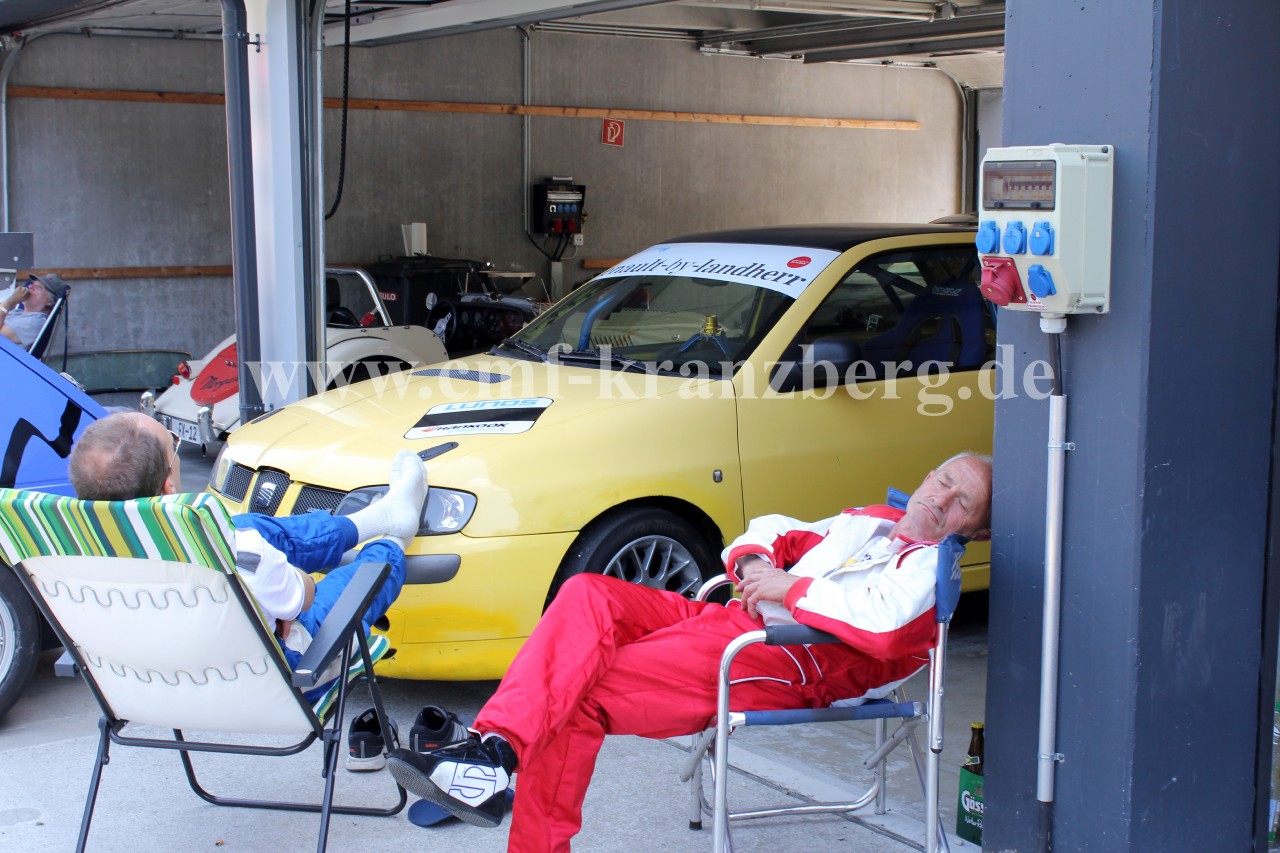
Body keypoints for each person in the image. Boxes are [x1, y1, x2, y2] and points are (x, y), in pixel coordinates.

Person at [386, 452, 993, 850]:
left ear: (976, 529)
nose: (941, 499)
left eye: (962, 502)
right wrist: (756, 567)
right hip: (729, 618)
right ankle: (492, 753)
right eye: (943, 481)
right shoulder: (871, 521)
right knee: (587, 594)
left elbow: (884, 627)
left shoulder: (931, 568)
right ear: (926, 476)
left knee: (579, 690)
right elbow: (773, 530)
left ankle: (493, 766)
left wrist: (788, 588)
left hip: (782, 659)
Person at [67, 411, 427, 703]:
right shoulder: (237, 552)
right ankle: (393, 537)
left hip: (148, 685)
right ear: (169, 486)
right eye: (174, 446)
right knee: (358, 582)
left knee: (245, 527)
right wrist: (282, 589)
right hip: (278, 676)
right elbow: (304, 596)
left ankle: (374, 518)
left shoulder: (68, 562)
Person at [1, 273, 62, 347]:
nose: (30, 286)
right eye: (32, 284)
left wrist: (10, 301)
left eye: (39, 287)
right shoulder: (17, 312)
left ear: (49, 301)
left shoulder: (35, 322)